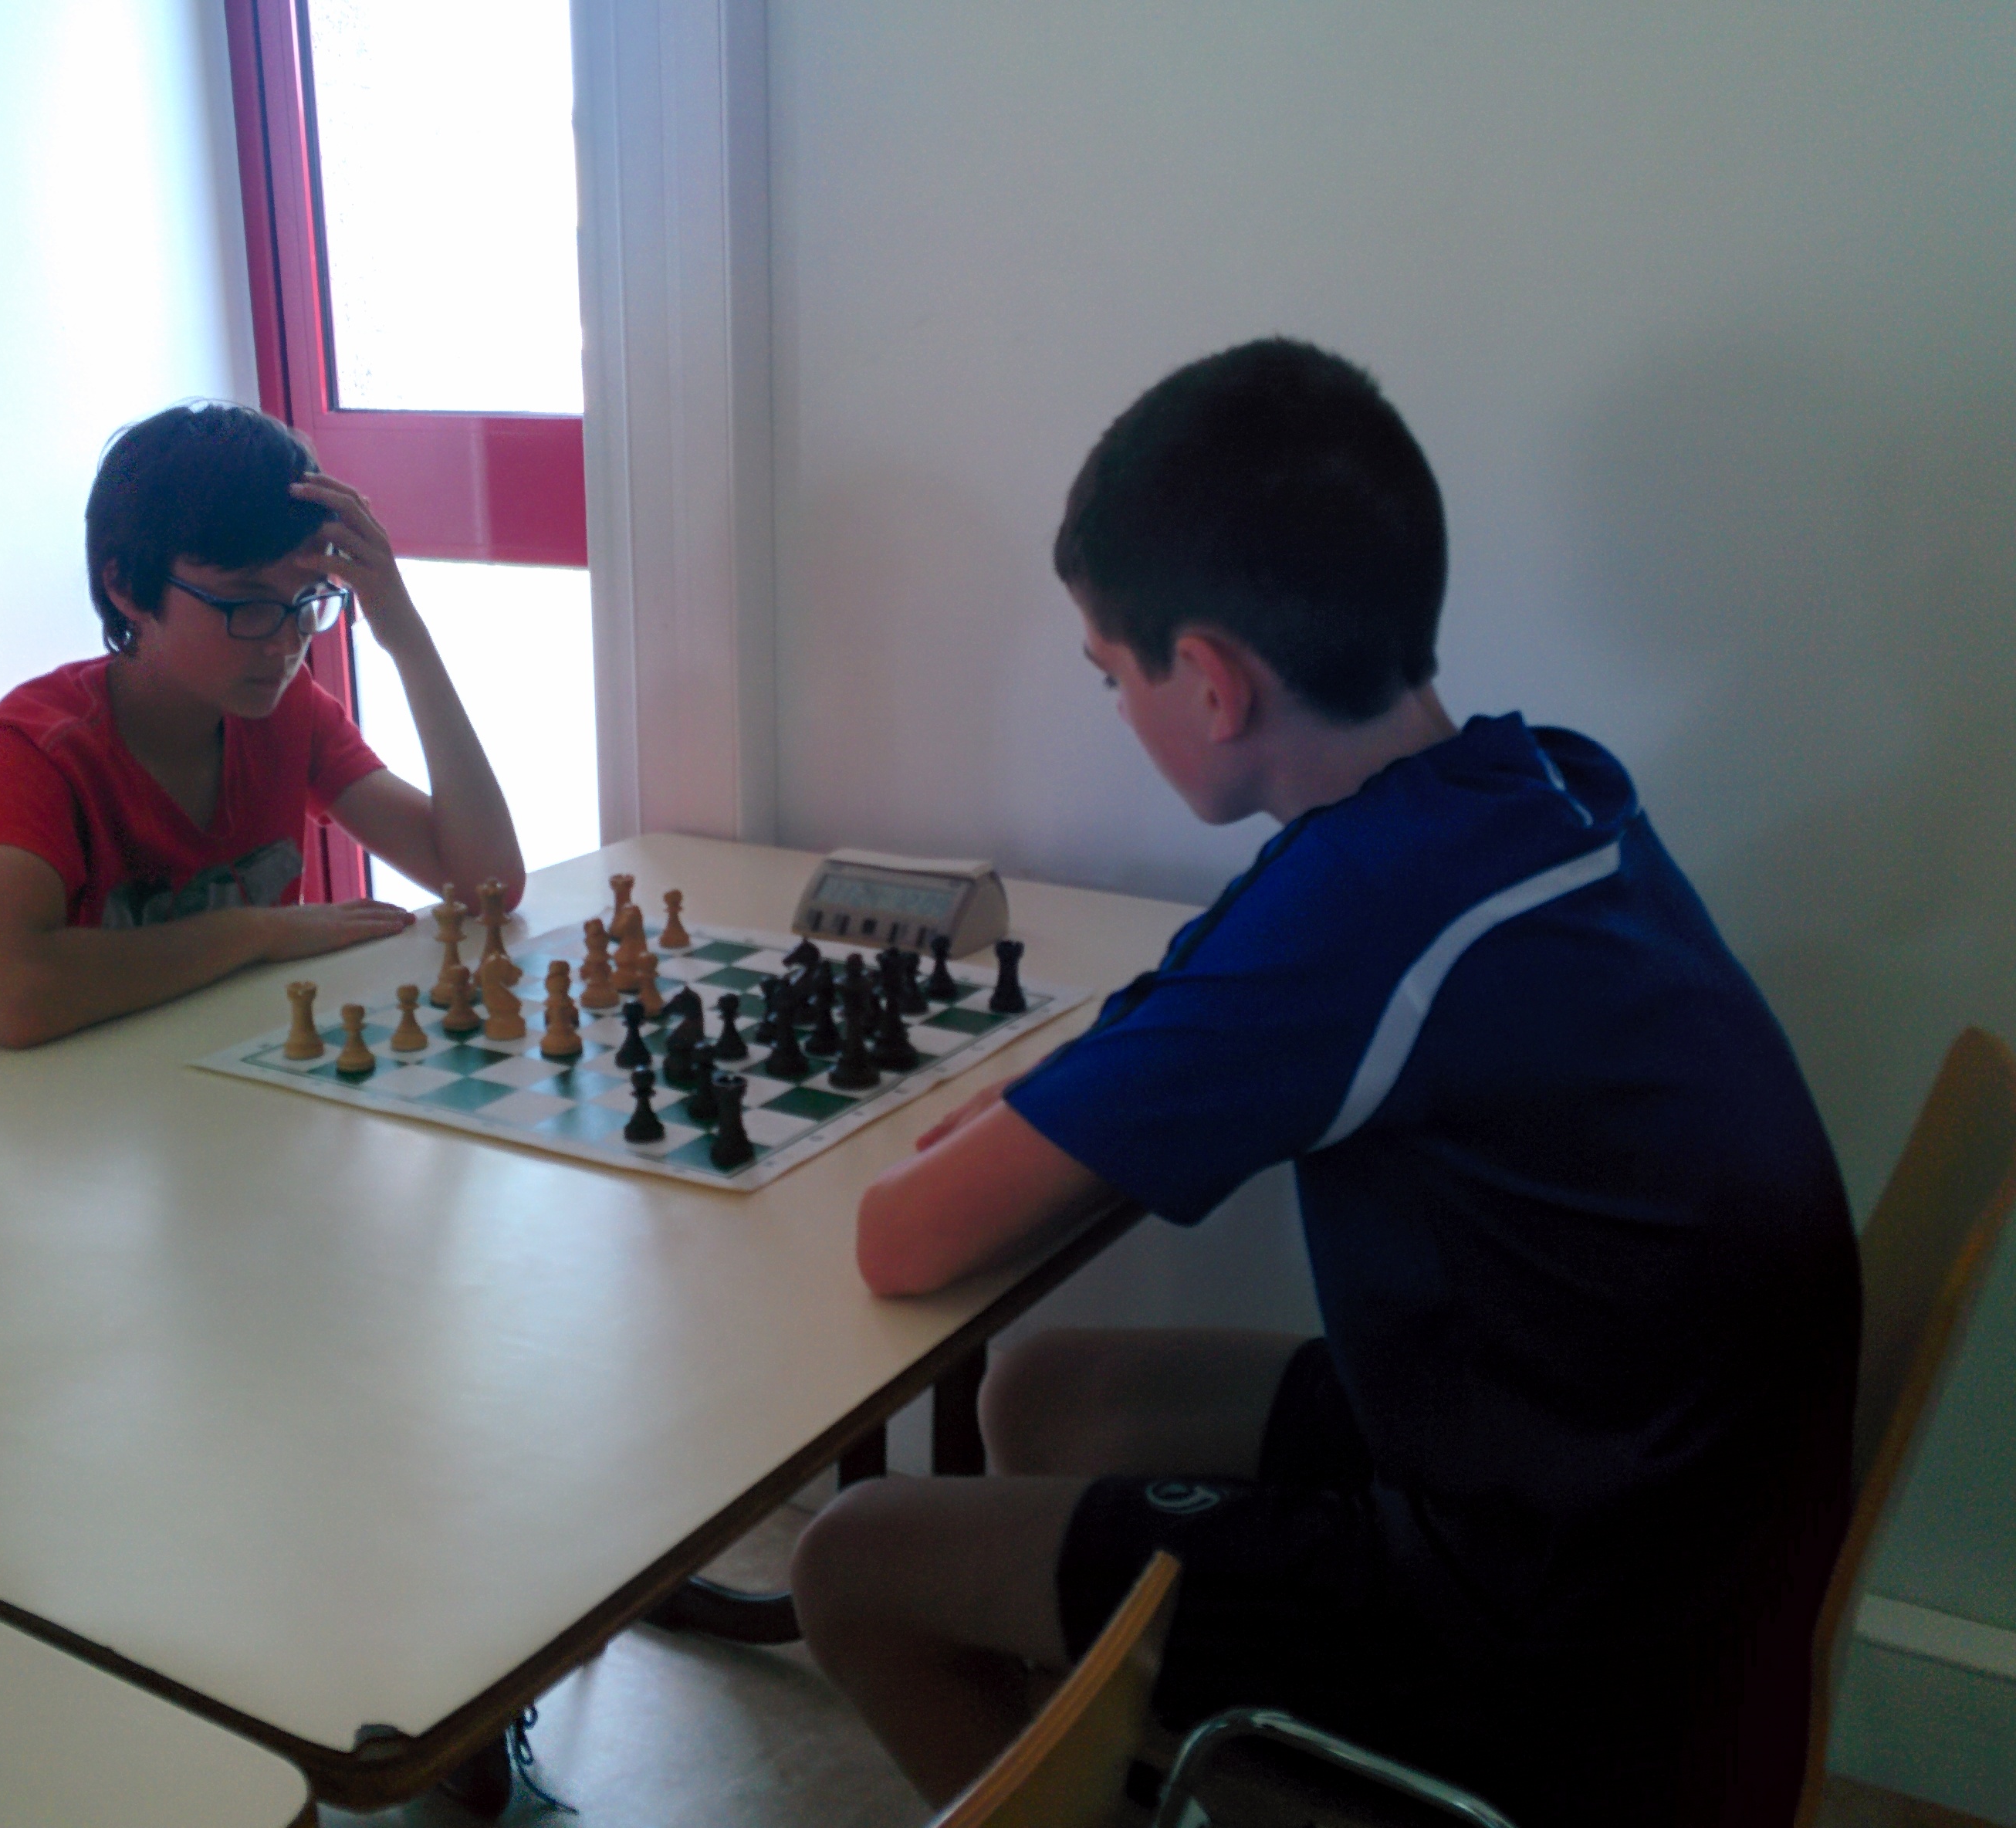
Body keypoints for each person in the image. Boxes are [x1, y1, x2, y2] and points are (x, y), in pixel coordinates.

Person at [790, 340, 1859, 1827]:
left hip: (1556, 1643)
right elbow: (1189, 996)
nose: (1114, 706)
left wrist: (1029, 1112)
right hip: (1622, 1489)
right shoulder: (1524, 779)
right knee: (1043, 1387)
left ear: (1210, 683)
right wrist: (1080, 1087)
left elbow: (903, 1236)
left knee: (848, 1559)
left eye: (1110, 674)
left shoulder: (1358, 919)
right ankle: (1117, 1761)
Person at [0, 403, 523, 1047]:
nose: (286, 642)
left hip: (228, 1069)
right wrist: (260, 932)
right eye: (247, 604)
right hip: (67, 1101)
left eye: (307, 601)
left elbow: (486, 884)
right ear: (127, 588)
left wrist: (404, 633)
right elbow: (12, 993)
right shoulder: (35, 748)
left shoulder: (288, 710)